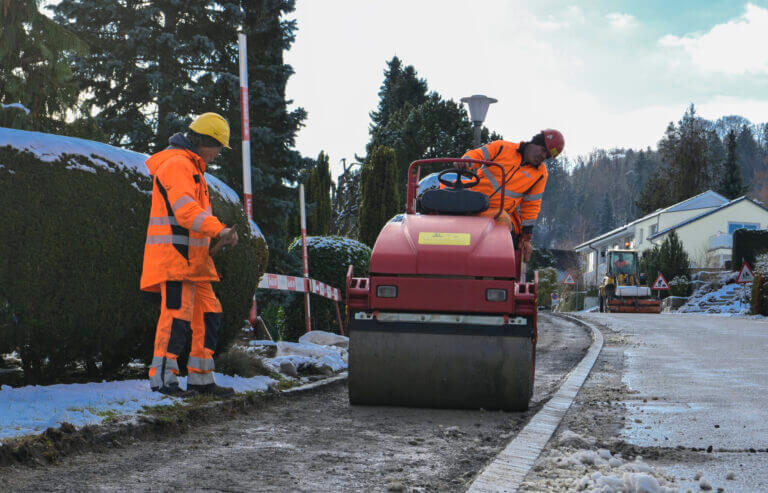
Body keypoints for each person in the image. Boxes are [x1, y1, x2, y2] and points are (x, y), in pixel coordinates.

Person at [140, 112, 240, 397]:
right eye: (218, 147)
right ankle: (163, 380)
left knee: (209, 315)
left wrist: (217, 236)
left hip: (194, 262)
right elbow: (185, 212)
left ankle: (201, 378)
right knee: (176, 319)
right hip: (175, 261)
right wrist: (219, 230)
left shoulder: (193, 168)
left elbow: (192, 218)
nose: (218, 154)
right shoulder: (177, 165)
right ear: (205, 141)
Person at [460, 129, 564, 261]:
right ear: (535, 142)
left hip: (495, 214)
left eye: (547, 156)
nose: (543, 156)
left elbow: (531, 205)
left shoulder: (540, 174)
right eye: (543, 150)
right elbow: (478, 154)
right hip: (469, 203)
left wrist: (526, 238)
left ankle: (491, 267)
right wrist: (466, 161)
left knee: (504, 222)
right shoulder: (502, 147)